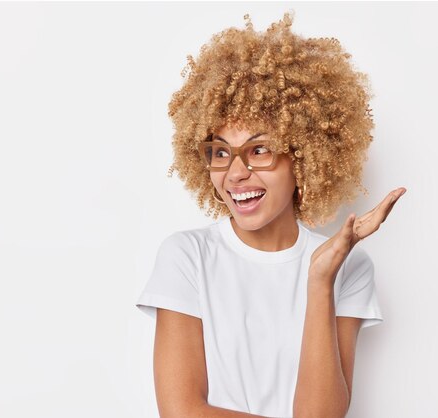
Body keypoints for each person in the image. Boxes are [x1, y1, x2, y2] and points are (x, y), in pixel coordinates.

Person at [135, 11, 406, 418]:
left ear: (303, 157)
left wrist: (319, 279)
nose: (235, 171)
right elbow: (181, 411)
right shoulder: (187, 256)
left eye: (259, 150)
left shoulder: (348, 267)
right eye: (221, 151)